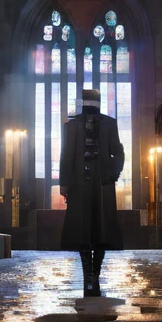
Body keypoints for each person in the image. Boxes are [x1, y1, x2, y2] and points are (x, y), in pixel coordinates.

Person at [59, 87, 125, 296]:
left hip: (93, 185)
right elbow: (67, 156)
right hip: (91, 184)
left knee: (95, 231)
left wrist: (66, 184)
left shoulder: (78, 126)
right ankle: (91, 273)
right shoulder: (77, 126)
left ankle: (91, 273)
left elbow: (67, 158)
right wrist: (111, 173)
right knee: (91, 231)